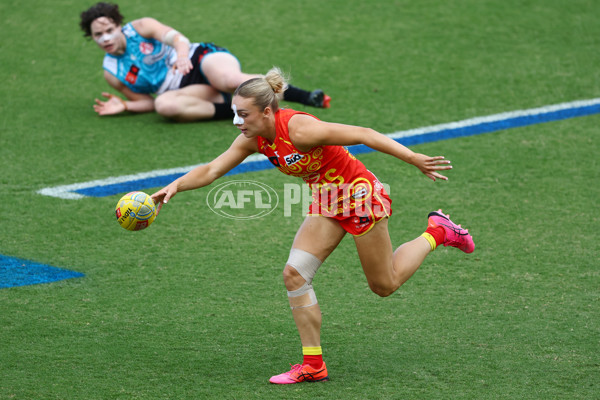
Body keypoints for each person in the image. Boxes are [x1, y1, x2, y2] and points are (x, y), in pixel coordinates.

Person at [150, 67, 475, 384]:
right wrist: (176, 185)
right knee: (294, 275)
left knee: (384, 285)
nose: (237, 121)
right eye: (235, 113)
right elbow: (211, 170)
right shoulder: (255, 139)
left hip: (361, 199)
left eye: (243, 114)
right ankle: (313, 364)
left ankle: (438, 231)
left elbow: (365, 135)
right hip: (328, 202)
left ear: (266, 111)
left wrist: (413, 158)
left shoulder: (300, 130)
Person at [79, 3, 330, 122]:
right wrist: (124, 106)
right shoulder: (112, 73)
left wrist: (180, 55)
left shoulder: (141, 27)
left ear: (119, 25)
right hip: (184, 89)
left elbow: (178, 38)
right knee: (165, 107)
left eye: (109, 30)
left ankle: (305, 97)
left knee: (229, 80)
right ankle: (237, 112)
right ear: (92, 38)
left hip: (199, 60)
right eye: (99, 35)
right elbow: (149, 103)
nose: (106, 38)